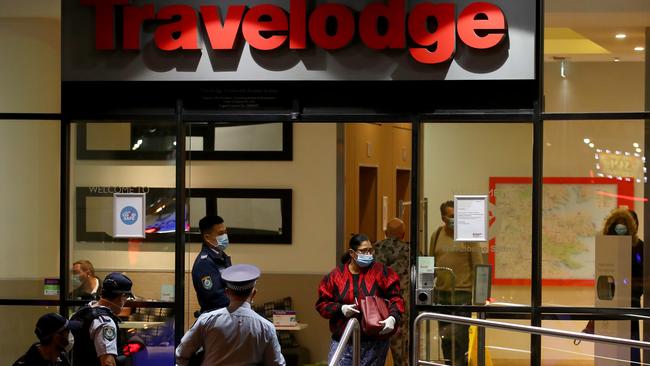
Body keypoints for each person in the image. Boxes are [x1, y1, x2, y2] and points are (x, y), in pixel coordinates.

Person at [316, 233, 405, 366]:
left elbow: (396, 298)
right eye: (364, 251)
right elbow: (322, 304)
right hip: (344, 340)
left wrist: (393, 317)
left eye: (371, 250)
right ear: (352, 253)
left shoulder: (382, 273)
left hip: (374, 343)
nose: (368, 254)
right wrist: (340, 309)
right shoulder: (335, 277)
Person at [176, 264, 286, 366]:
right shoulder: (266, 327)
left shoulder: (206, 320)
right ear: (254, 294)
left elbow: (182, 353)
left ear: (227, 293)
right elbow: (276, 363)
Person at [429, 200, 484, 366]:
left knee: (459, 340)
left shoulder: (468, 236)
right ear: (443, 217)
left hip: (462, 295)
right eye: (452, 216)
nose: (456, 219)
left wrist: (480, 299)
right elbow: (430, 264)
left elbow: (478, 266)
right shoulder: (437, 234)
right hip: (442, 295)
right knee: (445, 340)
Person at [601, 207, 643, 365]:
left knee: (630, 345)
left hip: (630, 303)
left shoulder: (639, 247)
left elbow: (642, 278)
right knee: (612, 347)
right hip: (610, 303)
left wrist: (630, 289)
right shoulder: (606, 246)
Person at [70, 272, 134, 366]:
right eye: (126, 298)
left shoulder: (83, 311)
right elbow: (107, 362)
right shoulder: (105, 322)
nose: (125, 302)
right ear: (121, 297)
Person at [374, 218, 410, 366]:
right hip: (402, 306)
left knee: (375, 349)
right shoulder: (411, 251)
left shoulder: (374, 249)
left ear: (385, 233)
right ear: (403, 234)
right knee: (401, 351)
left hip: (377, 307)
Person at [192, 215, 232, 315]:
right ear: (207, 237)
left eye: (225, 232)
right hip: (217, 319)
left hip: (227, 315)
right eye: (220, 233)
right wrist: (238, 303)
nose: (225, 236)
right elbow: (214, 298)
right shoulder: (204, 263)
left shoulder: (222, 257)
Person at [12, 313, 81, 366]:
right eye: (67, 331)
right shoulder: (25, 363)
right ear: (57, 337)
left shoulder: (61, 359)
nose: (70, 335)